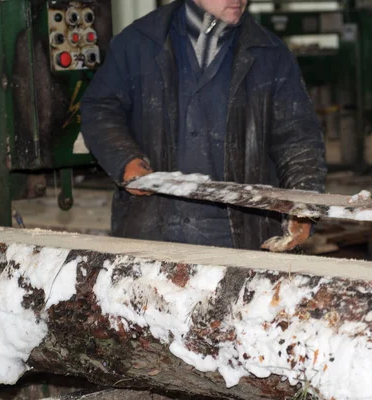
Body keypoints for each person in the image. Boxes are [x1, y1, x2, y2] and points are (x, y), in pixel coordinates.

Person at [80, 0, 326, 251]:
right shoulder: (138, 43)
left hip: (242, 241)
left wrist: (303, 207)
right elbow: (99, 108)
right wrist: (125, 160)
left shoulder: (271, 55)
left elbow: (298, 139)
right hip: (151, 235)